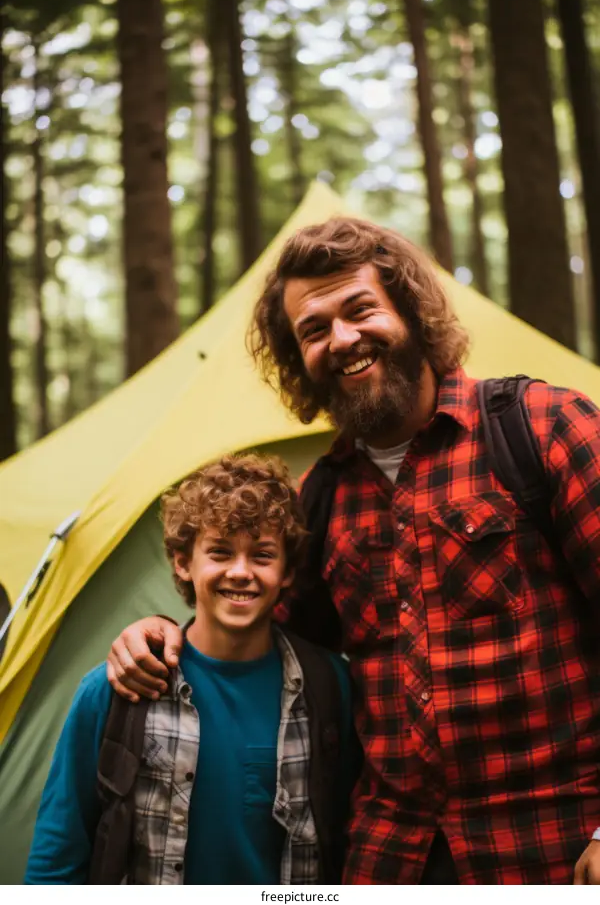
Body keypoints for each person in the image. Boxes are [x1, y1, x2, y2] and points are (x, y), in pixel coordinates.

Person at [106, 217, 600, 885]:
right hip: (388, 859)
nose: (341, 339)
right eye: (313, 330)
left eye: (360, 309)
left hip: (553, 849)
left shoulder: (542, 427)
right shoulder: (321, 498)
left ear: (413, 312)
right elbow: (263, 650)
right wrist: (162, 633)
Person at [25, 454, 358, 885]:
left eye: (262, 555)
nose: (240, 572)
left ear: (288, 571)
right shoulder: (115, 689)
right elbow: (56, 857)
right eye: (220, 552)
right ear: (183, 562)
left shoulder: (330, 687)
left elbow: (351, 837)